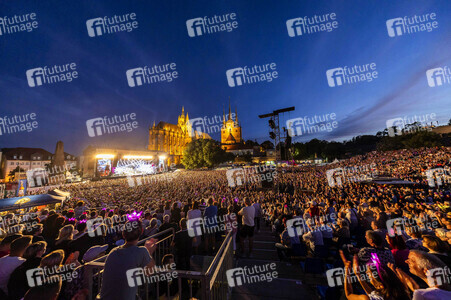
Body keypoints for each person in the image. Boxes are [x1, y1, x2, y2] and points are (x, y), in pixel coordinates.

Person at [100, 220, 157, 300]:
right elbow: (151, 272)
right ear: (141, 232)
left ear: (123, 234)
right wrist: (149, 252)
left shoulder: (113, 252)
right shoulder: (141, 251)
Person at [340, 251, 411, 300]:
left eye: (370, 275)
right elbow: (372, 294)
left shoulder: (365, 298)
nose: (367, 274)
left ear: (380, 286)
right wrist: (358, 276)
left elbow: (349, 294)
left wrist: (347, 272)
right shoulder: (402, 292)